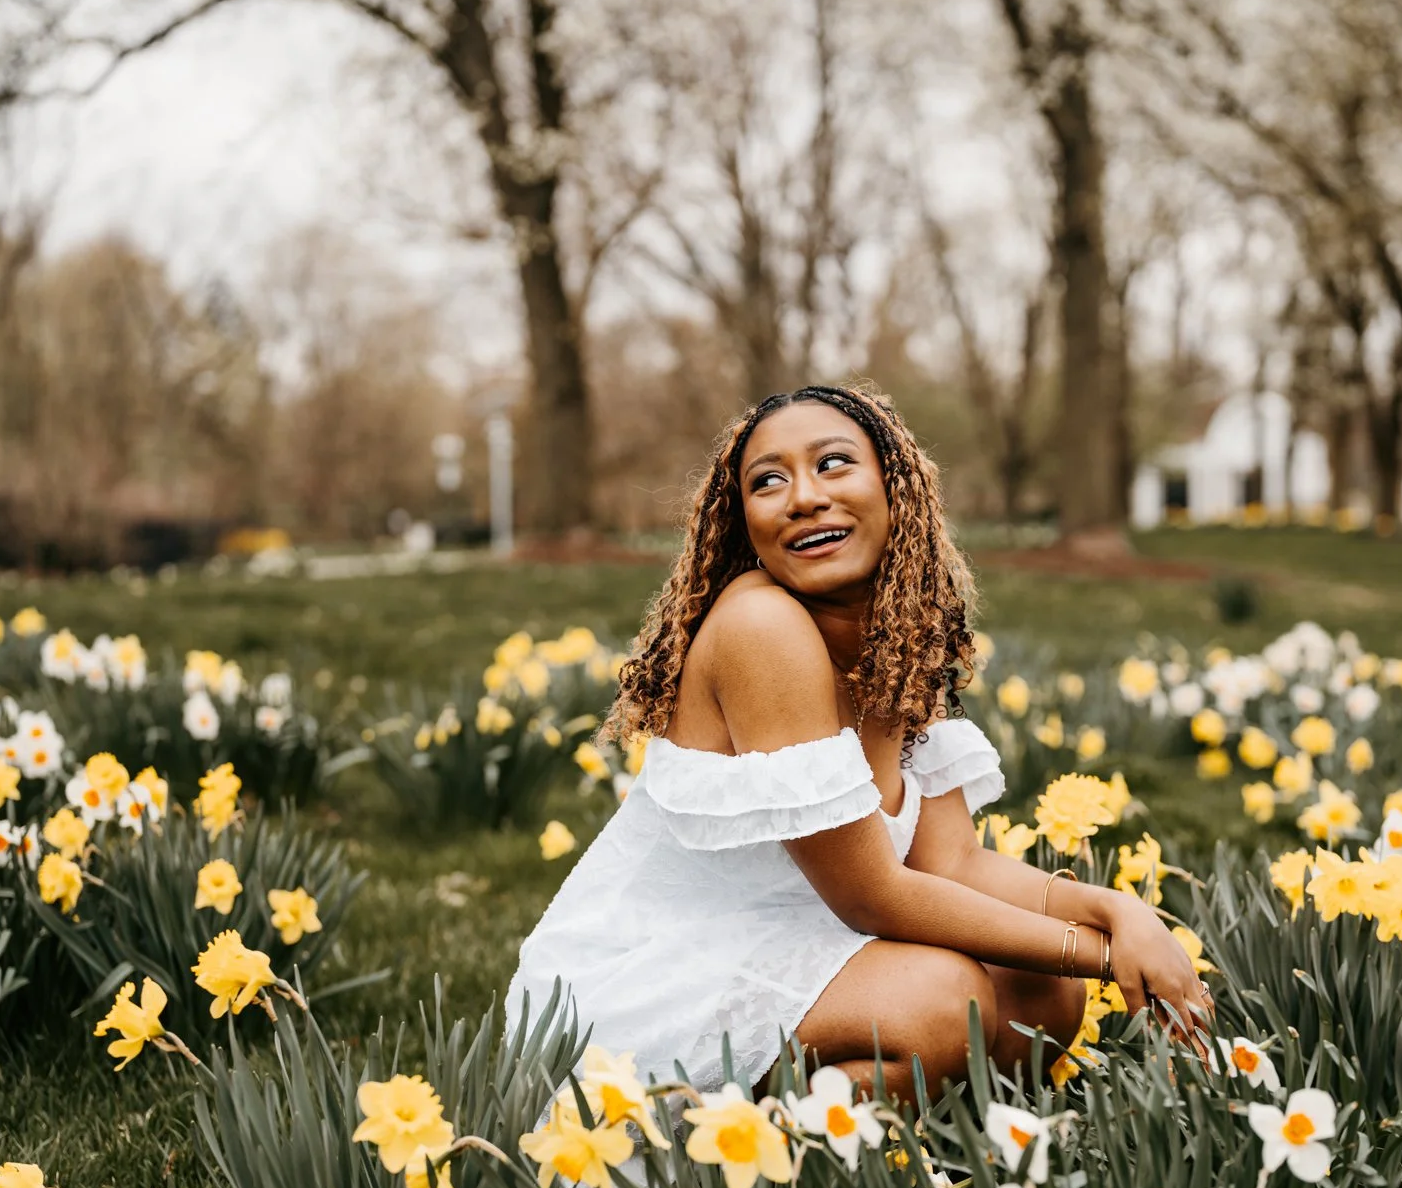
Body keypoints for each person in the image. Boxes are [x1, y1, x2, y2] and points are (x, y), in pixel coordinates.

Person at [506, 382, 1208, 1104]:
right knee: (945, 1001)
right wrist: (1105, 954)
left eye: (833, 463)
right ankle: (748, 1178)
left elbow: (955, 861)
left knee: (1041, 999)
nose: (803, 496)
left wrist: (1122, 914)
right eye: (768, 481)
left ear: (894, 486)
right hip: (644, 982)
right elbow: (872, 896)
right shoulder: (761, 629)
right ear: (745, 522)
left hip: (783, 947)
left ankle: (911, 1165)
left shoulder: (892, 644)